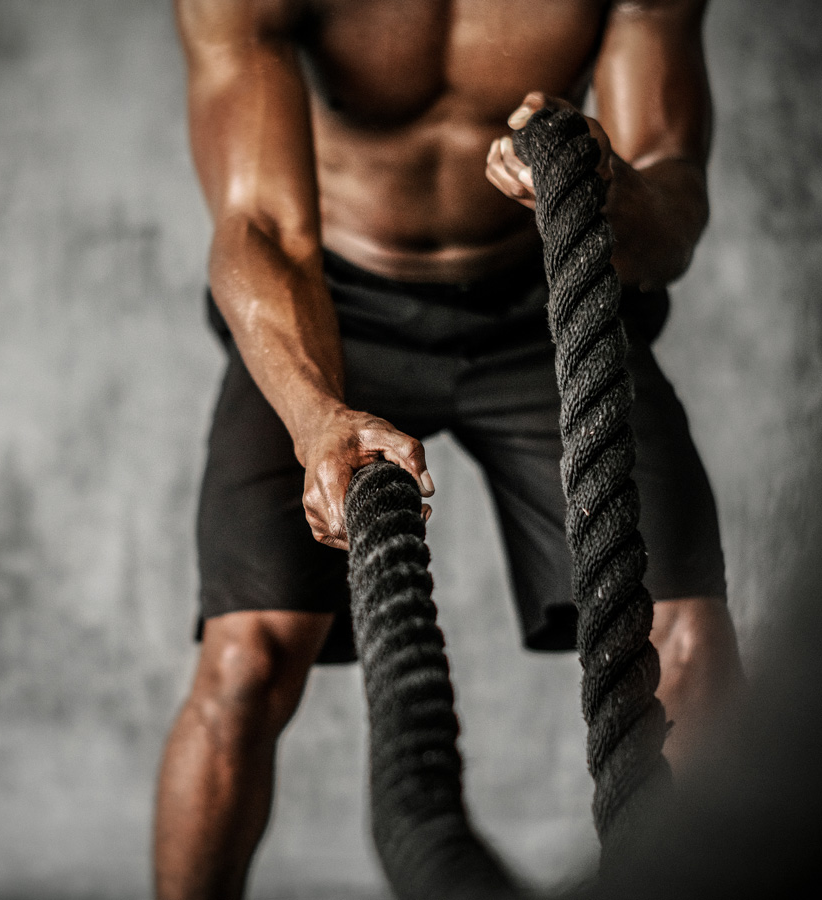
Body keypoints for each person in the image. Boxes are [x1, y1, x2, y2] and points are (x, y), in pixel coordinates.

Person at [154, 1, 742, 898]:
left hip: (546, 304)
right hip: (328, 305)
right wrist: (315, 415)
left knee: (688, 647)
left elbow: (671, 220)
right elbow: (262, 225)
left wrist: (605, 186)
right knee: (246, 657)